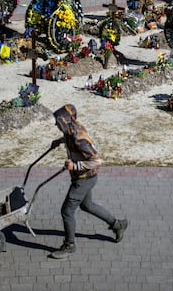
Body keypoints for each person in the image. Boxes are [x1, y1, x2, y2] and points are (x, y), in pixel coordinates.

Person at [49, 104, 128, 259]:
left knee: (67, 211)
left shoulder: (79, 138)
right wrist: (59, 141)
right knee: (87, 205)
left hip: (84, 179)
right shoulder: (72, 129)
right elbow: (69, 136)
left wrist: (75, 165)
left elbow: (97, 160)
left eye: (58, 122)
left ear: (66, 120)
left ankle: (69, 245)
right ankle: (118, 224)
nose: (56, 124)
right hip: (85, 178)